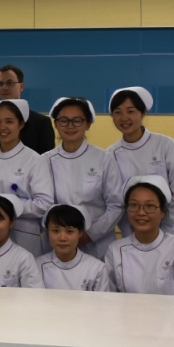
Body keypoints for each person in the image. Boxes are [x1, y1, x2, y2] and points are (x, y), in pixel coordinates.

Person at [107, 86, 174, 248]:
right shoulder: (111, 155)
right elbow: (118, 203)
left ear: (142, 113)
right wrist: (136, 237)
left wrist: (164, 233)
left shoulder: (165, 145)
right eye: (117, 112)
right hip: (137, 237)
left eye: (131, 111)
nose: (124, 118)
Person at [43, 97, 123, 260]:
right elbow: (42, 204)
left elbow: (116, 205)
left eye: (77, 121)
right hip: (59, 243)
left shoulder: (103, 158)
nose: (70, 126)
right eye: (64, 120)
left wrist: (90, 234)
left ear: (88, 124)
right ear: (56, 124)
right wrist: (62, 234)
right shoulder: (44, 161)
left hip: (98, 243)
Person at [0, 99, 54, 256]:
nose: (2, 127)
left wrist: (7, 209)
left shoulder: (34, 160)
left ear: (21, 124)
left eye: (9, 121)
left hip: (24, 234)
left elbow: (44, 202)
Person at [105, 176, 174, 296]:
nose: (141, 212)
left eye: (149, 206)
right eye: (134, 205)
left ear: (163, 211)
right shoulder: (115, 250)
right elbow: (109, 297)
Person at [0, 65, 55, 156]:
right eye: (0, 84)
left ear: (21, 86)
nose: (4, 87)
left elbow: (47, 160)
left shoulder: (41, 123)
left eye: (10, 83)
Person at [36, 204, 109, 291]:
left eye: (69, 231)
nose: (62, 238)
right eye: (55, 231)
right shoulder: (37, 265)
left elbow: (102, 299)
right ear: (48, 232)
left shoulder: (97, 268)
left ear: (80, 233)